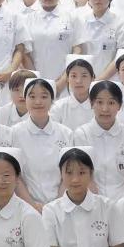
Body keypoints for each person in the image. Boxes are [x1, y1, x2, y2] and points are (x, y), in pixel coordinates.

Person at [10, 78, 74, 209]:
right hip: (25, 207)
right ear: (25, 99)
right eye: (32, 96)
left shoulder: (66, 133)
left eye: (44, 96)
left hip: (60, 206)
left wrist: (56, 205)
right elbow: (15, 176)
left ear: (52, 100)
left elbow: (69, 173)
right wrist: (32, 205)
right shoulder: (14, 133)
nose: (38, 102)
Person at [72, 81, 124, 201]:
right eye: (99, 102)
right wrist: (98, 204)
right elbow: (83, 174)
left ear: (120, 105)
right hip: (92, 201)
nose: (105, 109)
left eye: (111, 103)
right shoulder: (82, 135)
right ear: (91, 103)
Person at [25, 0, 87, 91]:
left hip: (66, 80)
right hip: (37, 80)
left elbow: (77, 49)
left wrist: (63, 79)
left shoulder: (72, 17)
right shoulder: (28, 19)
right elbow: (25, 53)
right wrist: (36, 79)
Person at [78, 0, 124, 79]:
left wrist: (100, 79)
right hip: (83, 79)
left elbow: (121, 56)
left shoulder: (121, 23)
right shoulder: (80, 21)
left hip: (111, 80)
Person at [50, 55, 95, 130]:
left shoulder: (100, 106)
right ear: (67, 78)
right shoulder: (58, 107)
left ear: (92, 78)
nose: (78, 81)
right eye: (74, 76)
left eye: (84, 76)